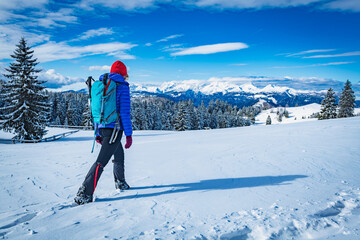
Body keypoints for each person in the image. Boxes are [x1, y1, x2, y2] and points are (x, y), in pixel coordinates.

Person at [74, 60, 133, 205]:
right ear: (123, 73)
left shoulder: (103, 84)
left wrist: (97, 132)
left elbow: (96, 110)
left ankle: (120, 182)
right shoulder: (122, 87)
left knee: (118, 153)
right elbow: (125, 113)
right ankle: (85, 193)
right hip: (115, 129)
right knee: (101, 161)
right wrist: (129, 134)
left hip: (103, 127)